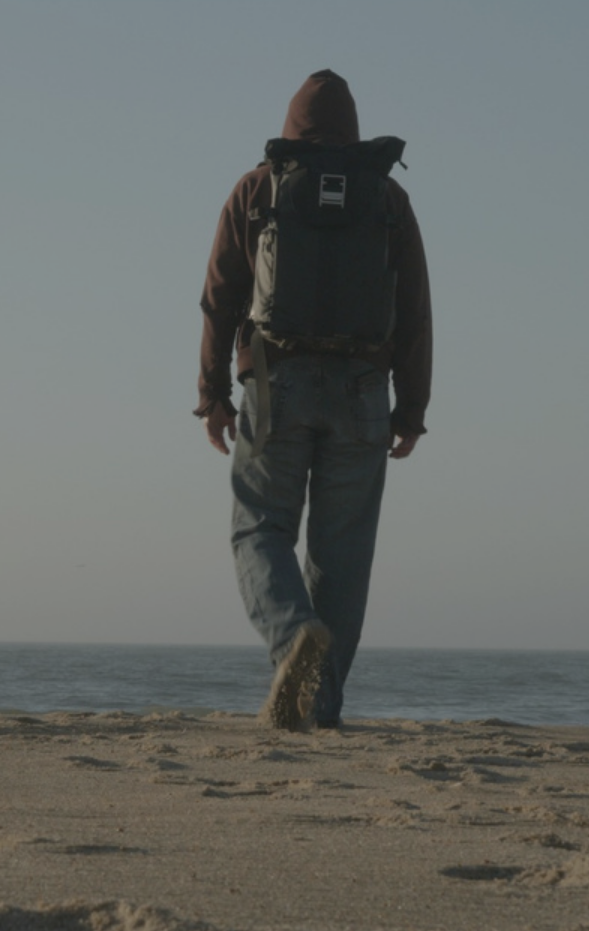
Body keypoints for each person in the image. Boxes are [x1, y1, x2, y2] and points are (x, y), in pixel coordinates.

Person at [196, 69, 432, 731]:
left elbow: (218, 299)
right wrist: (411, 410)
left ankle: (292, 633)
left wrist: (212, 394)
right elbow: (415, 310)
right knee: (343, 555)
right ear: (353, 129)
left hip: (275, 384)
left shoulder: (258, 188)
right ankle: (319, 709)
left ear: (291, 124)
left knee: (259, 528)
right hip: (363, 391)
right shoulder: (387, 197)